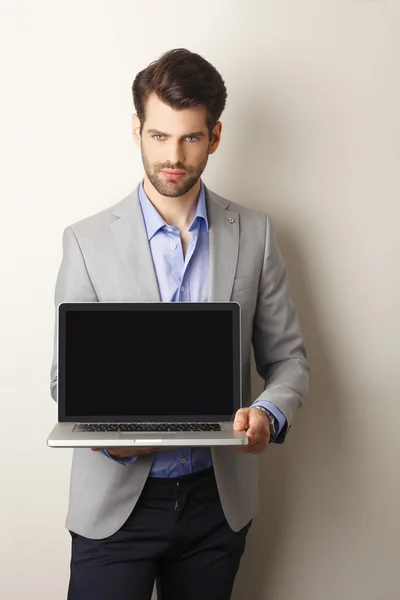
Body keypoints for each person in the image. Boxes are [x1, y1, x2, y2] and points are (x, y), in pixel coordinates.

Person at [50, 47, 310, 600]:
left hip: (216, 505)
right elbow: (64, 377)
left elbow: (288, 358)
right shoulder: (86, 240)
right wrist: (108, 438)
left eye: (190, 138)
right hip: (115, 509)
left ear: (214, 136)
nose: (173, 155)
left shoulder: (256, 235)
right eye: (159, 136)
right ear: (137, 131)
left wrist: (268, 412)